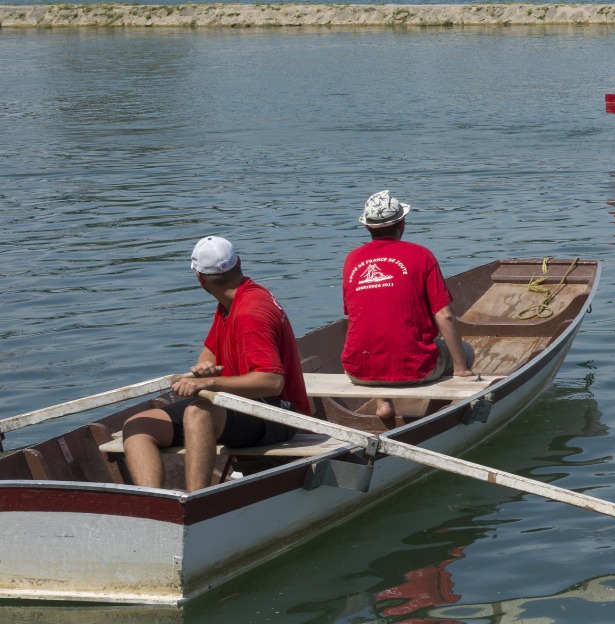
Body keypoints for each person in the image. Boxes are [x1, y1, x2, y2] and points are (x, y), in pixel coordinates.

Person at [121, 237, 310, 492]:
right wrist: (204, 368)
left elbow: (272, 381)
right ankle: (155, 506)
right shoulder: (229, 303)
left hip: (282, 413)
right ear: (239, 264)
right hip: (234, 404)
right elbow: (210, 349)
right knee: (137, 425)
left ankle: (195, 503)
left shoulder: (249, 313)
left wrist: (208, 382)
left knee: (198, 413)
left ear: (200, 278)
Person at [342, 191, 475, 424]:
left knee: (376, 338)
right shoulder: (421, 255)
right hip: (414, 369)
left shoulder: (352, 259)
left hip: (357, 371)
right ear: (402, 223)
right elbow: (445, 316)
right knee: (466, 351)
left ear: (367, 227)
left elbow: (356, 315)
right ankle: (435, 414)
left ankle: (383, 403)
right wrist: (461, 369)